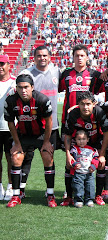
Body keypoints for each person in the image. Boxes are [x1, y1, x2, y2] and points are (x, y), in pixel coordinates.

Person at [59, 44, 106, 205]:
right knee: (71, 160)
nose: (79, 58)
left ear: (87, 57)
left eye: (82, 55)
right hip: (72, 122)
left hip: (92, 126)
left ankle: (97, 194)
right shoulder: (65, 74)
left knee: (97, 160)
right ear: (72, 57)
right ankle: (70, 195)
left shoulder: (95, 75)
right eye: (76, 55)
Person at [4, 74, 56, 208]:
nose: (23, 90)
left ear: (32, 87)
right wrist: (17, 143)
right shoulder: (11, 101)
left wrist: (46, 142)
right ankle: (16, 195)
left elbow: (49, 121)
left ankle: (50, 194)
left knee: (47, 156)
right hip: (23, 135)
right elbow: (10, 123)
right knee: (16, 158)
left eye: (26, 87)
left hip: (40, 134)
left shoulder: (42, 99)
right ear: (16, 88)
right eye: (20, 88)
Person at [19, 45, 61, 199]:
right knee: (26, 157)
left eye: (45, 55)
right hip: (30, 125)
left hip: (51, 125)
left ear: (49, 57)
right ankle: (21, 190)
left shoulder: (56, 71)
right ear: (34, 57)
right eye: (39, 56)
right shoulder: (27, 73)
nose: (42, 58)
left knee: (48, 157)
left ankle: (49, 191)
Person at [64, 91, 108, 206]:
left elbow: (106, 134)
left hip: (96, 141)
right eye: (82, 104)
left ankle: (98, 195)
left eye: (88, 104)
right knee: (70, 165)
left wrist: (102, 154)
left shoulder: (99, 112)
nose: (85, 107)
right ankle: (69, 196)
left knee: (100, 165)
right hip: (79, 142)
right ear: (78, 105)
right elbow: (68, 135)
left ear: (93, 104)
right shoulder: (74, 114)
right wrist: (68, 154)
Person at [70, 130, 99, 208]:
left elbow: (96, 159)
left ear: (87, 140)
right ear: (75, 140)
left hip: (89, 172)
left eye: (83, 139)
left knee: (90, 186)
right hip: (78, 172)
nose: (81, 141)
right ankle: (78, 200)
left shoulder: (91, 150)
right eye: (79, 139)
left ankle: (89, 200)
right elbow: (71, 158)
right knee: (78, 187)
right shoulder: (74, 149)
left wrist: (93, 166)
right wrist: (75, 164)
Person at [0, 55, 16, 201]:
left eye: (2, 63)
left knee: (10, 158)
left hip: (10, 128)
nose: (0, 66)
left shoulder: (15, 82)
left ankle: (11, 186)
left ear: (8, 65)